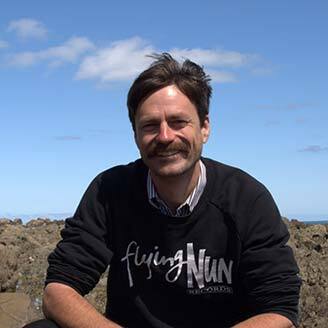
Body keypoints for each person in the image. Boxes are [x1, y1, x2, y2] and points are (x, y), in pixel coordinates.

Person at [24, 53, 301, 328]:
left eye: (179, 122)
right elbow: (58, 290)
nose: (165, 136)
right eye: (150, 126)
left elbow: (280, 309)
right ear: (135, 135)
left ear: (204, 127)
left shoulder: (246, 198)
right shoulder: (109, 191)